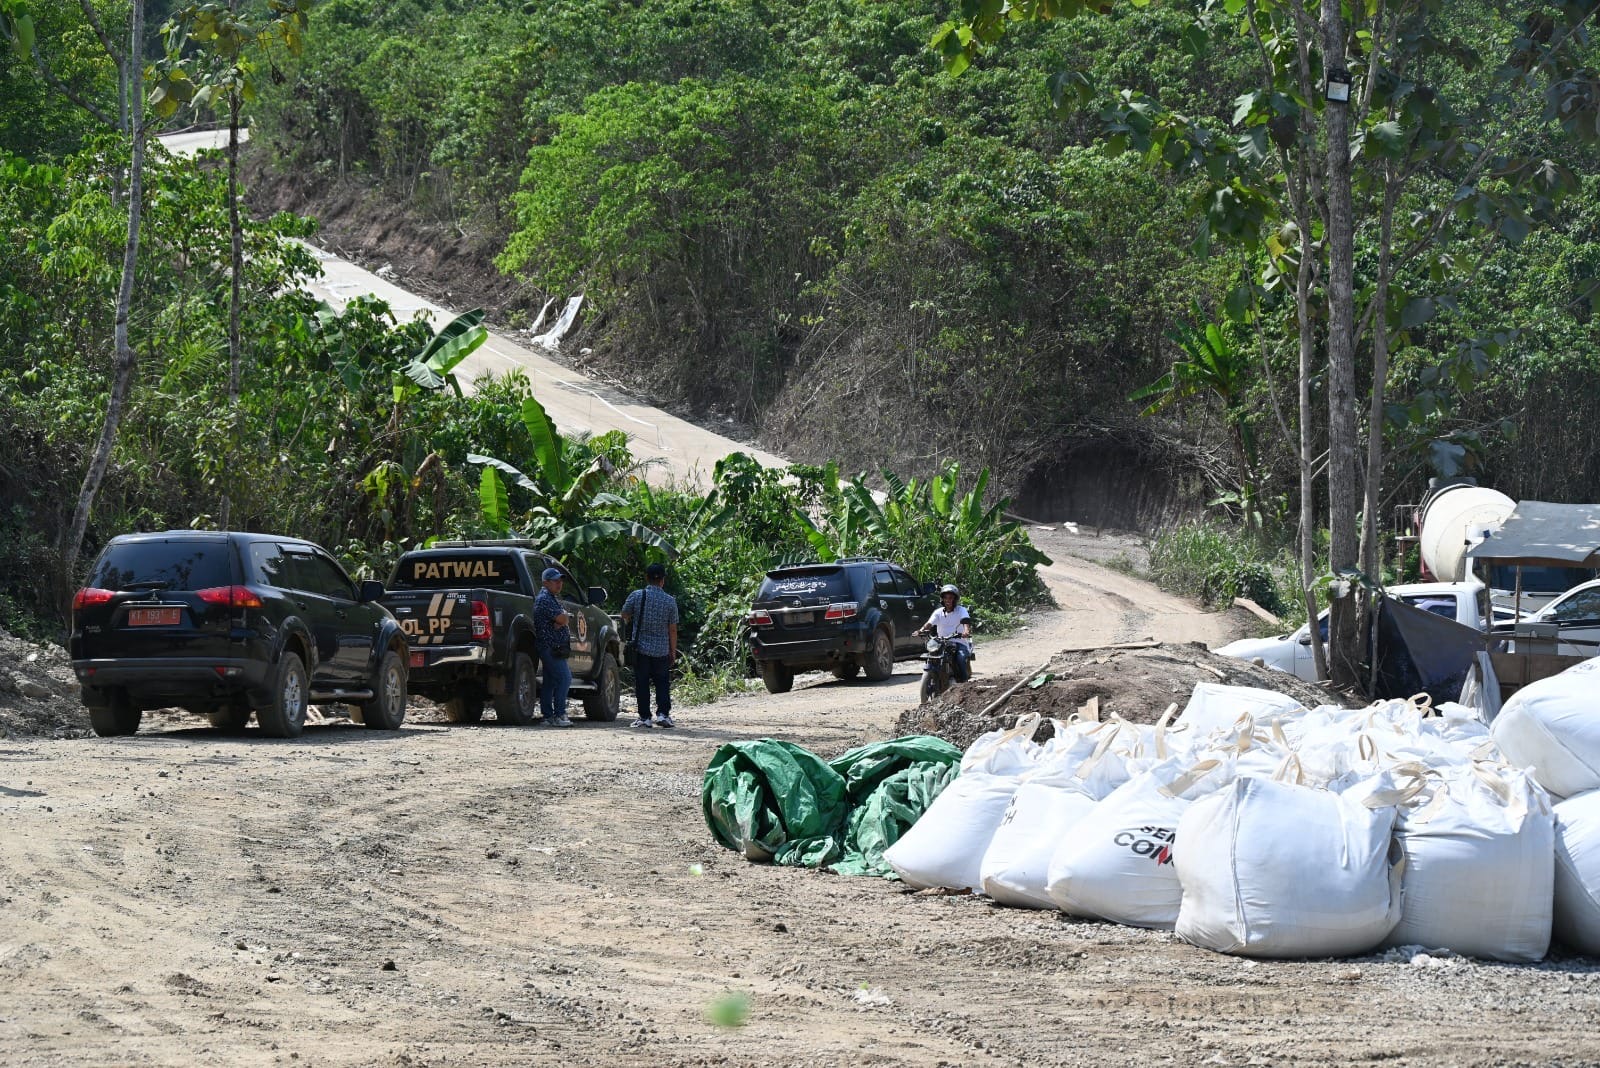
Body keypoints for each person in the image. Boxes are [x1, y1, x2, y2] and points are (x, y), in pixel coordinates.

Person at [619, 561, 680, 729]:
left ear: (647, 578)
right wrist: (672, 651)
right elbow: (672, 630)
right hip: (661, 650)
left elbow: (624, 615)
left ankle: (645, 717)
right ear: (663, 580)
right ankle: (663, 715)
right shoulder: (669, 601)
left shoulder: (637, 596)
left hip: (641, 649)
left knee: (642, 683)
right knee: (662, 683)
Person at [533, 566, 573, 727]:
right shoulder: (545, 599)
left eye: (560, 580)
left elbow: (562, 618)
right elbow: (563, 619)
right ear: (545, 582)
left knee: (549, 682)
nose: (559, 584)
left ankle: (548, 716)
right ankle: (559, 715)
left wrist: (562, 619)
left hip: (552, 646)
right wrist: (562, 619)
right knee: (565, 678)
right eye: (555, 581)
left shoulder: (550, 597)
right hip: (550, 646)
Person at [916, 584, 973, 682]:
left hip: (959, 642)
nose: (948, 600)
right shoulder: (938, 612)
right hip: (942, 642)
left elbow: (965, 622)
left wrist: (966, 631)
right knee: (932, 655)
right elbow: (929, 623)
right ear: (942, 599)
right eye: (945, 598)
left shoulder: (961, 610)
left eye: (950, 598)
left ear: (955, 599)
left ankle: (964, 684)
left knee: (960, 658)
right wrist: (920, 630)